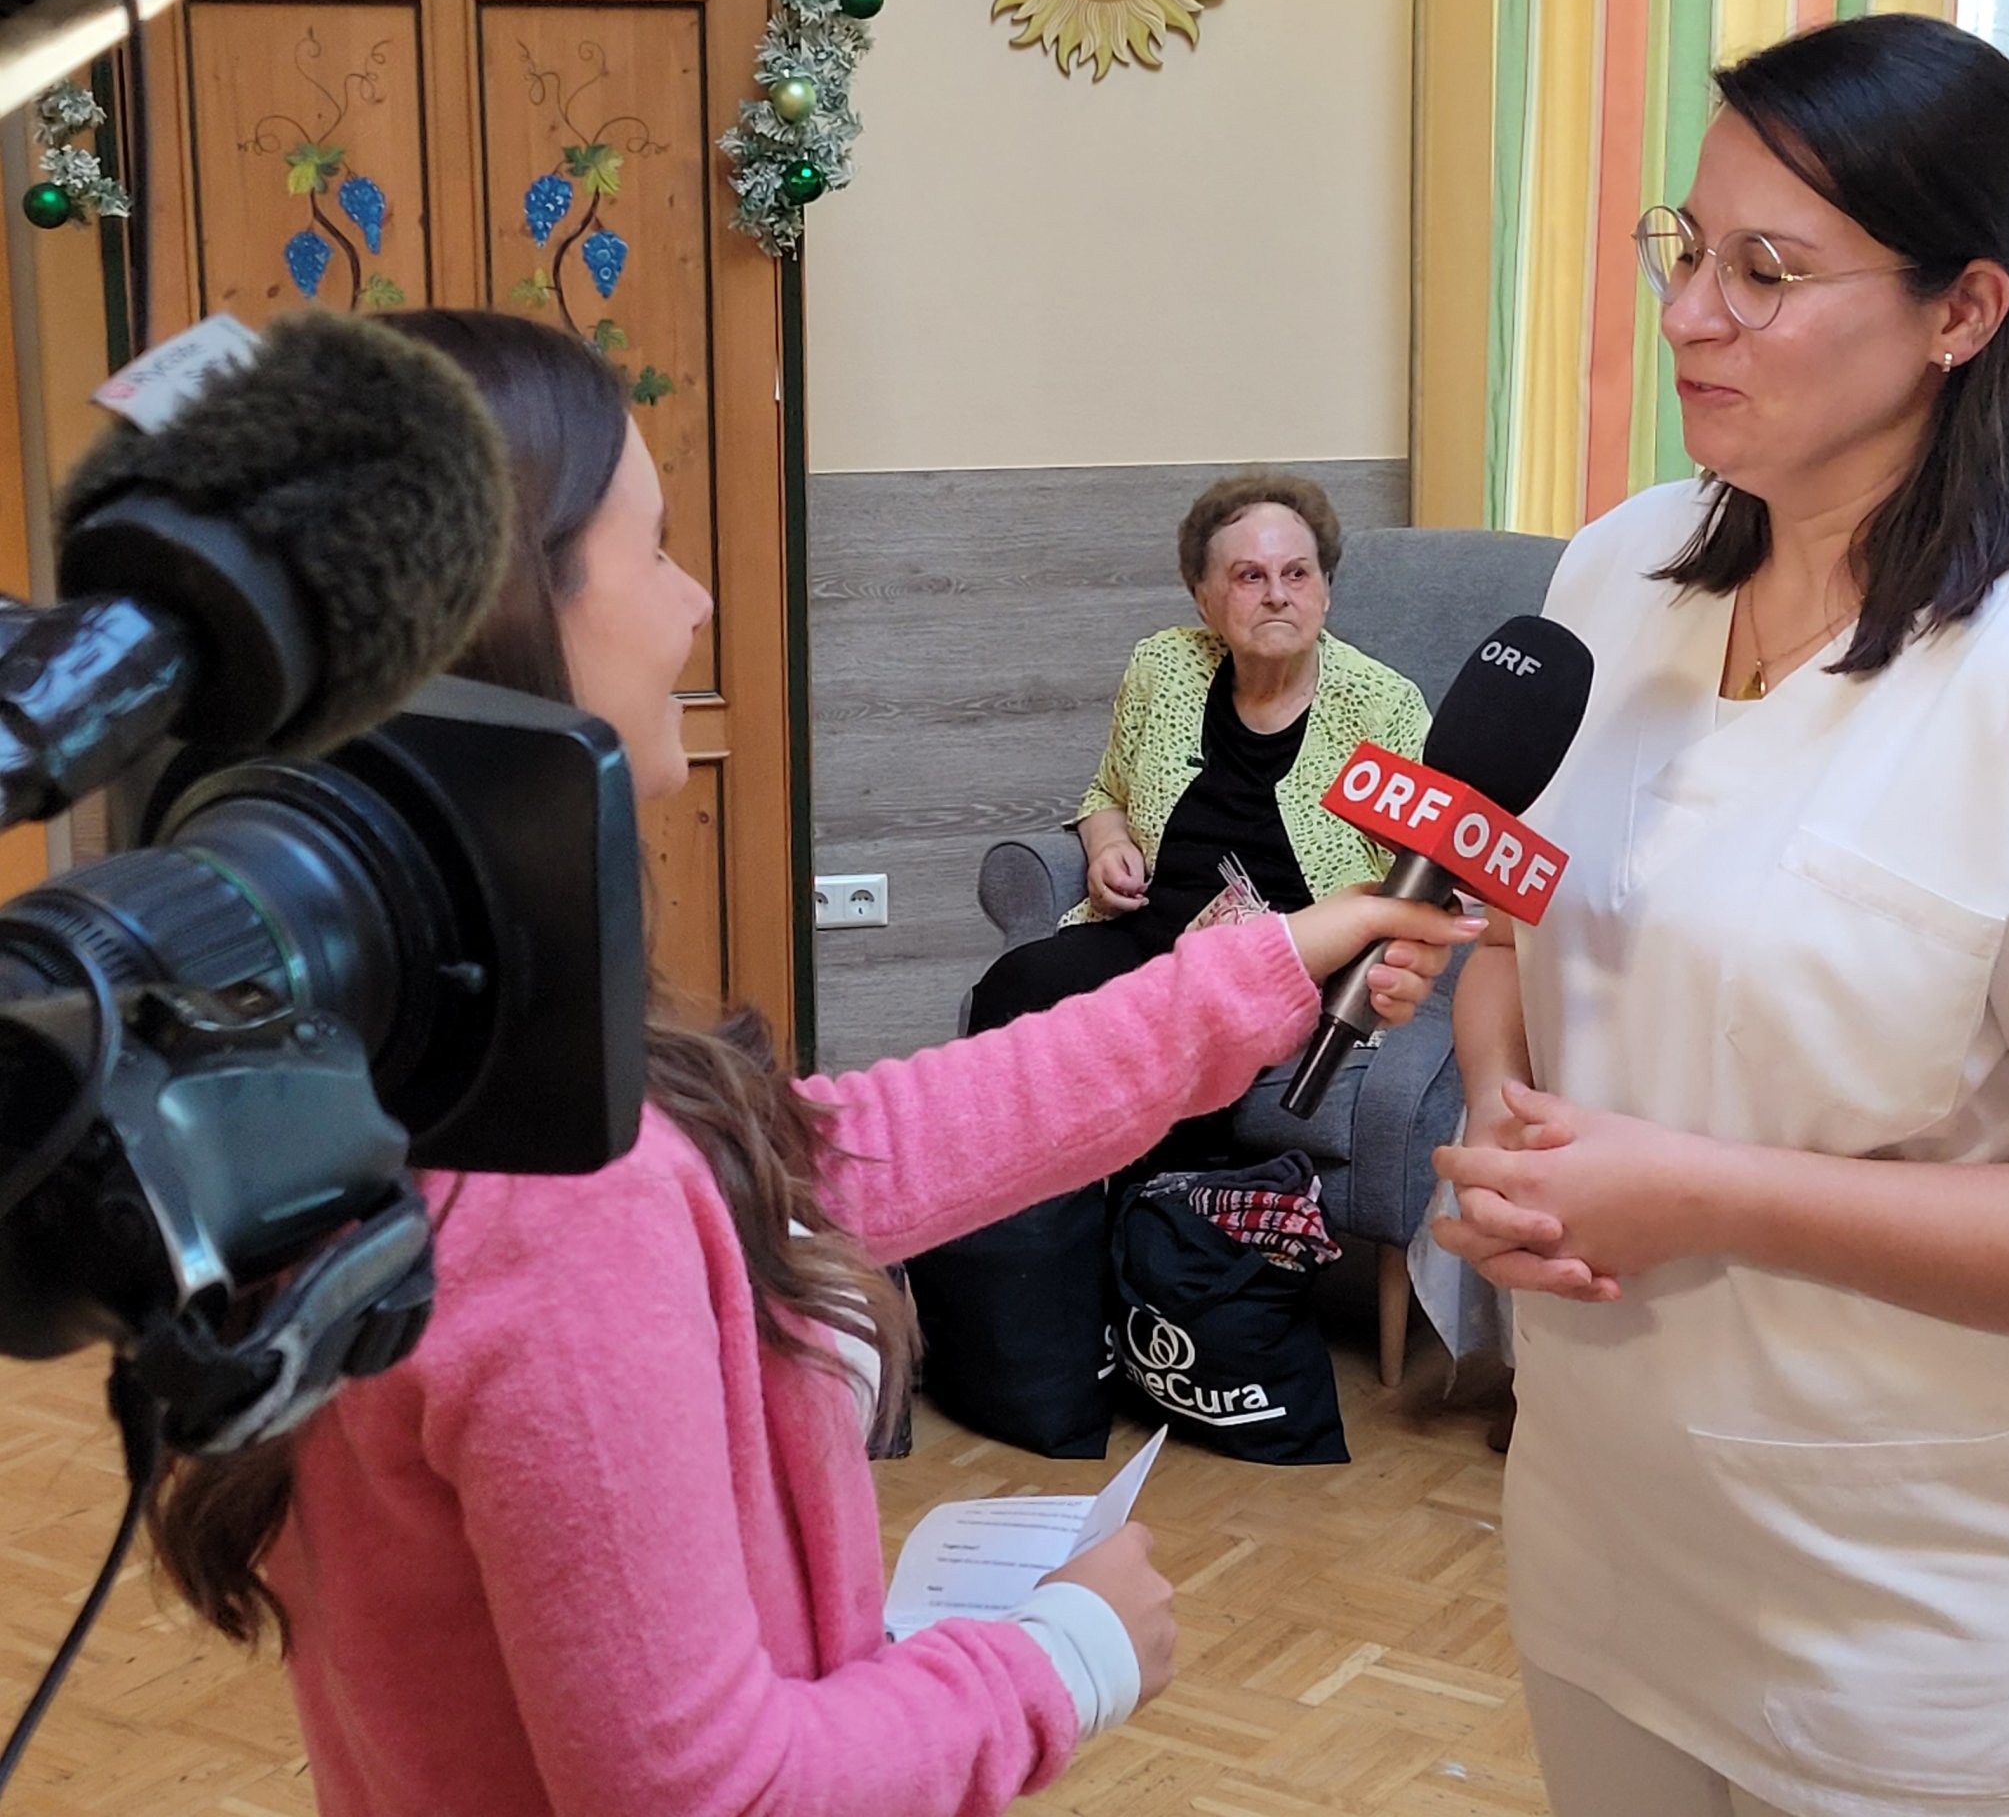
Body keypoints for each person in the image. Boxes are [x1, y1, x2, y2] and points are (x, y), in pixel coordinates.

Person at [143, 310, 1481, 1817]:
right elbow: (714, 1794)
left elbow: (855, 1148)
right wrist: (1064, 1657)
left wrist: (1273, 964)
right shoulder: (554, 1203)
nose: (696, 601)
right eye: (652, 552)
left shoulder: (423, 1077)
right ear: (504, 635)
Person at [1431, 15, 2009, 1817]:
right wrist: (1502, 1103)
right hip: (1613, 1554)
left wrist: (1704, 1194)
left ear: (1962, 311)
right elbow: (1517, 910)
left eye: (1767, 273)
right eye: (1687, 249)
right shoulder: (1621, 571)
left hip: (1942, 1642)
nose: (1689, 315)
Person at [964, 469, 1430, 1036]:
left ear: (1326, 591)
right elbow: (1107, 793)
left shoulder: (1382, 705)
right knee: (1015, 985)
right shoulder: (1165, 668)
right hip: (1148, 944)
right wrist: (1108, 844)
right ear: (1203, 598)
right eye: (1250, 576)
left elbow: (1419, 872)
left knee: (1178, 1030)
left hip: (1287, 966)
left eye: (1297, 573)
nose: (1277, 594)